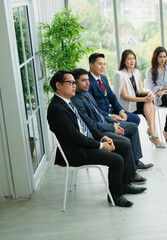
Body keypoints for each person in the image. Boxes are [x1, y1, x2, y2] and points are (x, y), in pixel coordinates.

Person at [47, 70, 146, 207]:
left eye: (74, 83)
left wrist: (103, 137)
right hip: (75, 151)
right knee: (116, 159)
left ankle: (124, 184)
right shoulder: (56, 108)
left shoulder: (69, 102)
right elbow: (75, 137)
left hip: (84, 143)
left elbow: (88, 125)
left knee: (124, 145)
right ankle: (115, 196)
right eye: (70, 83)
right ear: (58, 85)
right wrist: (100, 146)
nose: (74, 85)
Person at [71, 68, 149, 184]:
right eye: (83, 81)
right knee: (125, 141)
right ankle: (130, 175)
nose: (88, 83)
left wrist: (113, 122)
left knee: (132, 126)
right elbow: (91, 125)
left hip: (106, 123)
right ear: (75, 82)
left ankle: (135, 162)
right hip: (97, 132)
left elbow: (99, 112)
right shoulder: (76, 100)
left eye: (88, 80)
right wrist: (113, 128)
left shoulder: (86, 93)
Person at [114, 49, 165, 148]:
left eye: (133, 58)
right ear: (124, 61)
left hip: (136, 103)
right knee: (149, 102)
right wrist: (144, 99)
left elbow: (140, 91)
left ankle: (152, 131)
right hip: (125, 106)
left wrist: (149, 93)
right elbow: (125, 96)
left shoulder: (136, 72)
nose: (132, 61)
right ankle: (153, 133)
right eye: (129, 59)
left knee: (149, 100)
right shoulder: (119, 74)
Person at [87, 53, 141, 126]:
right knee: (130, 126)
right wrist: (110, 116)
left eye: (104, 64)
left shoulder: (103, 78)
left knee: (135, 118)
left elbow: (112, 97)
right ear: (91, 65)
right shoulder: (87, 81)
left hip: (111, 110)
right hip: (102, 116)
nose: (103, 67)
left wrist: (121, 111)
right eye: (100, 64)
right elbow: (91, 106)